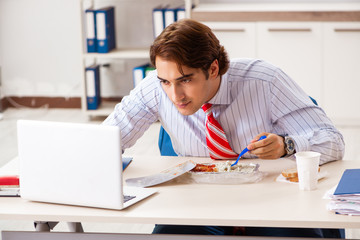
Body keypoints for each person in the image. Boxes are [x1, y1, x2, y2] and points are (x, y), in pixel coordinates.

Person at [103, 19, 345, 238]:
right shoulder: (155, 89)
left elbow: (333, 141)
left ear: (213, 69)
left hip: (270, 203)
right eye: (166, 82)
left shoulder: (265, 81)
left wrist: (286, 145)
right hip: (197, 205)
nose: (175, 95)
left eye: (185, 80)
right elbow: (105, 141)